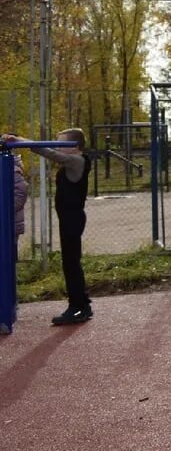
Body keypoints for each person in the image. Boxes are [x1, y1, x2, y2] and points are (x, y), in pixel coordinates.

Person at [4, 129, 94, 325]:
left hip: (72, 219)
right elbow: (53, 152)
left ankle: (77, 307)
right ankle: (82, 304)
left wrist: (21, 140)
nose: (57, 147)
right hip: (69, 218)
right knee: (70, 262)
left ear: (75, 146)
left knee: (71, 263)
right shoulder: (72, 161)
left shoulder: (77, 161)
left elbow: (50, 153)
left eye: (61, 143)